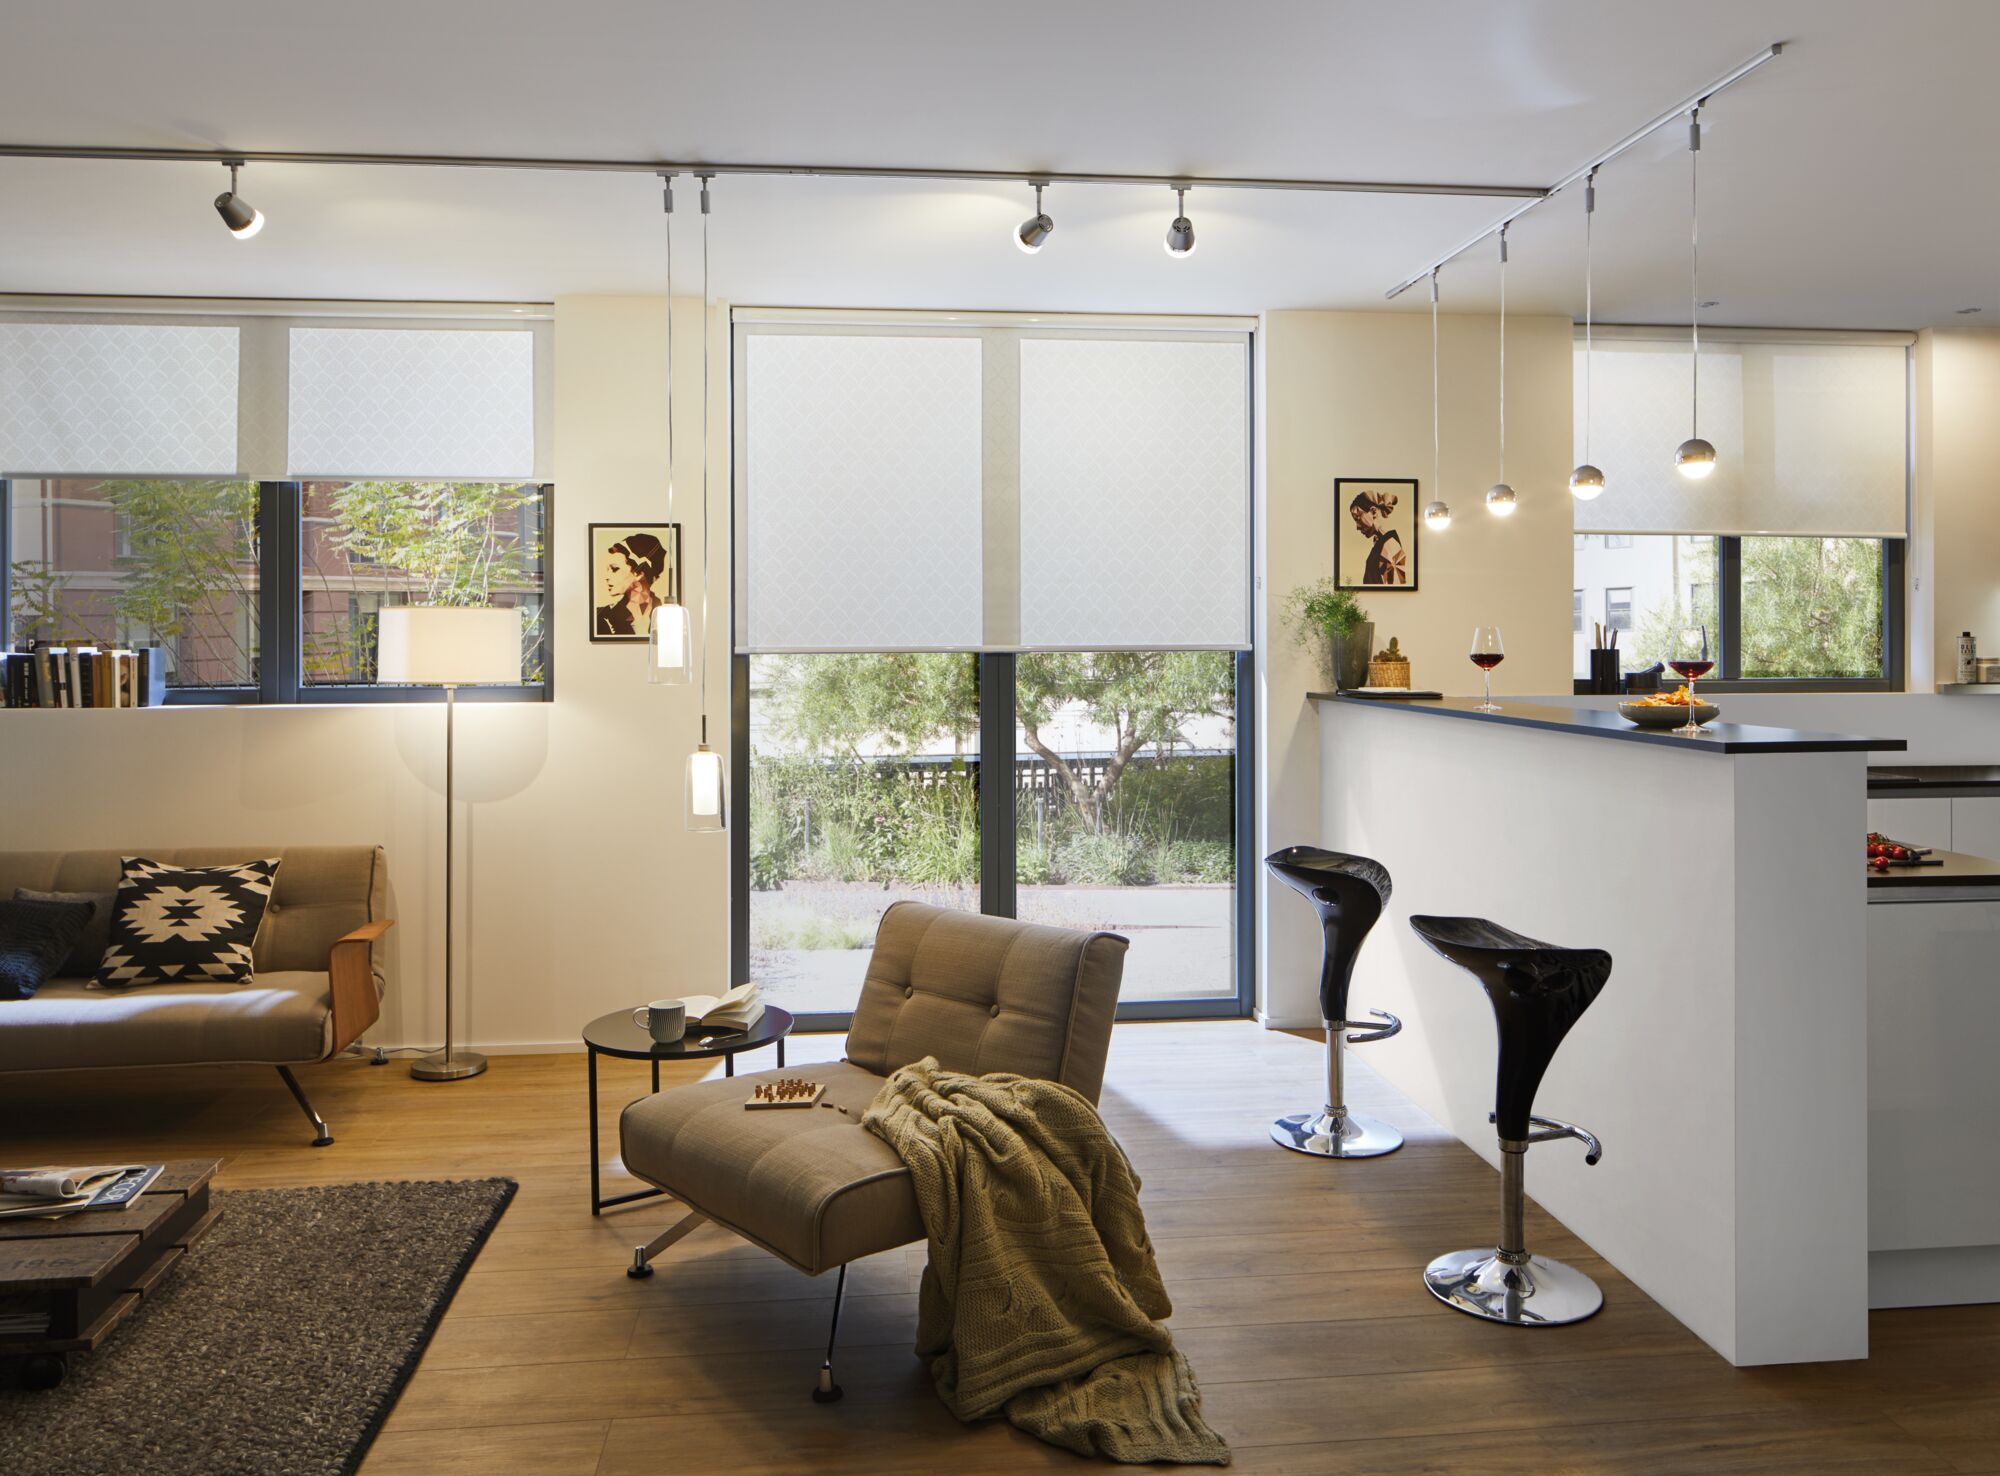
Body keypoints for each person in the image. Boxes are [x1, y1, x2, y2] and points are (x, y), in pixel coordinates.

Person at [595, 532, 672, 636]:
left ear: (639, 573)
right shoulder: (601, 618)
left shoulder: (669, 616)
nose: (606, 577)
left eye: (614, 569)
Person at [1349, 490, 1408, 586]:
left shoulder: (1390, 545)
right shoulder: (1381, 543)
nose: (1357, 527)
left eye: (1358, 518)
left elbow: (1395, 589)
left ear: (1373, 512)